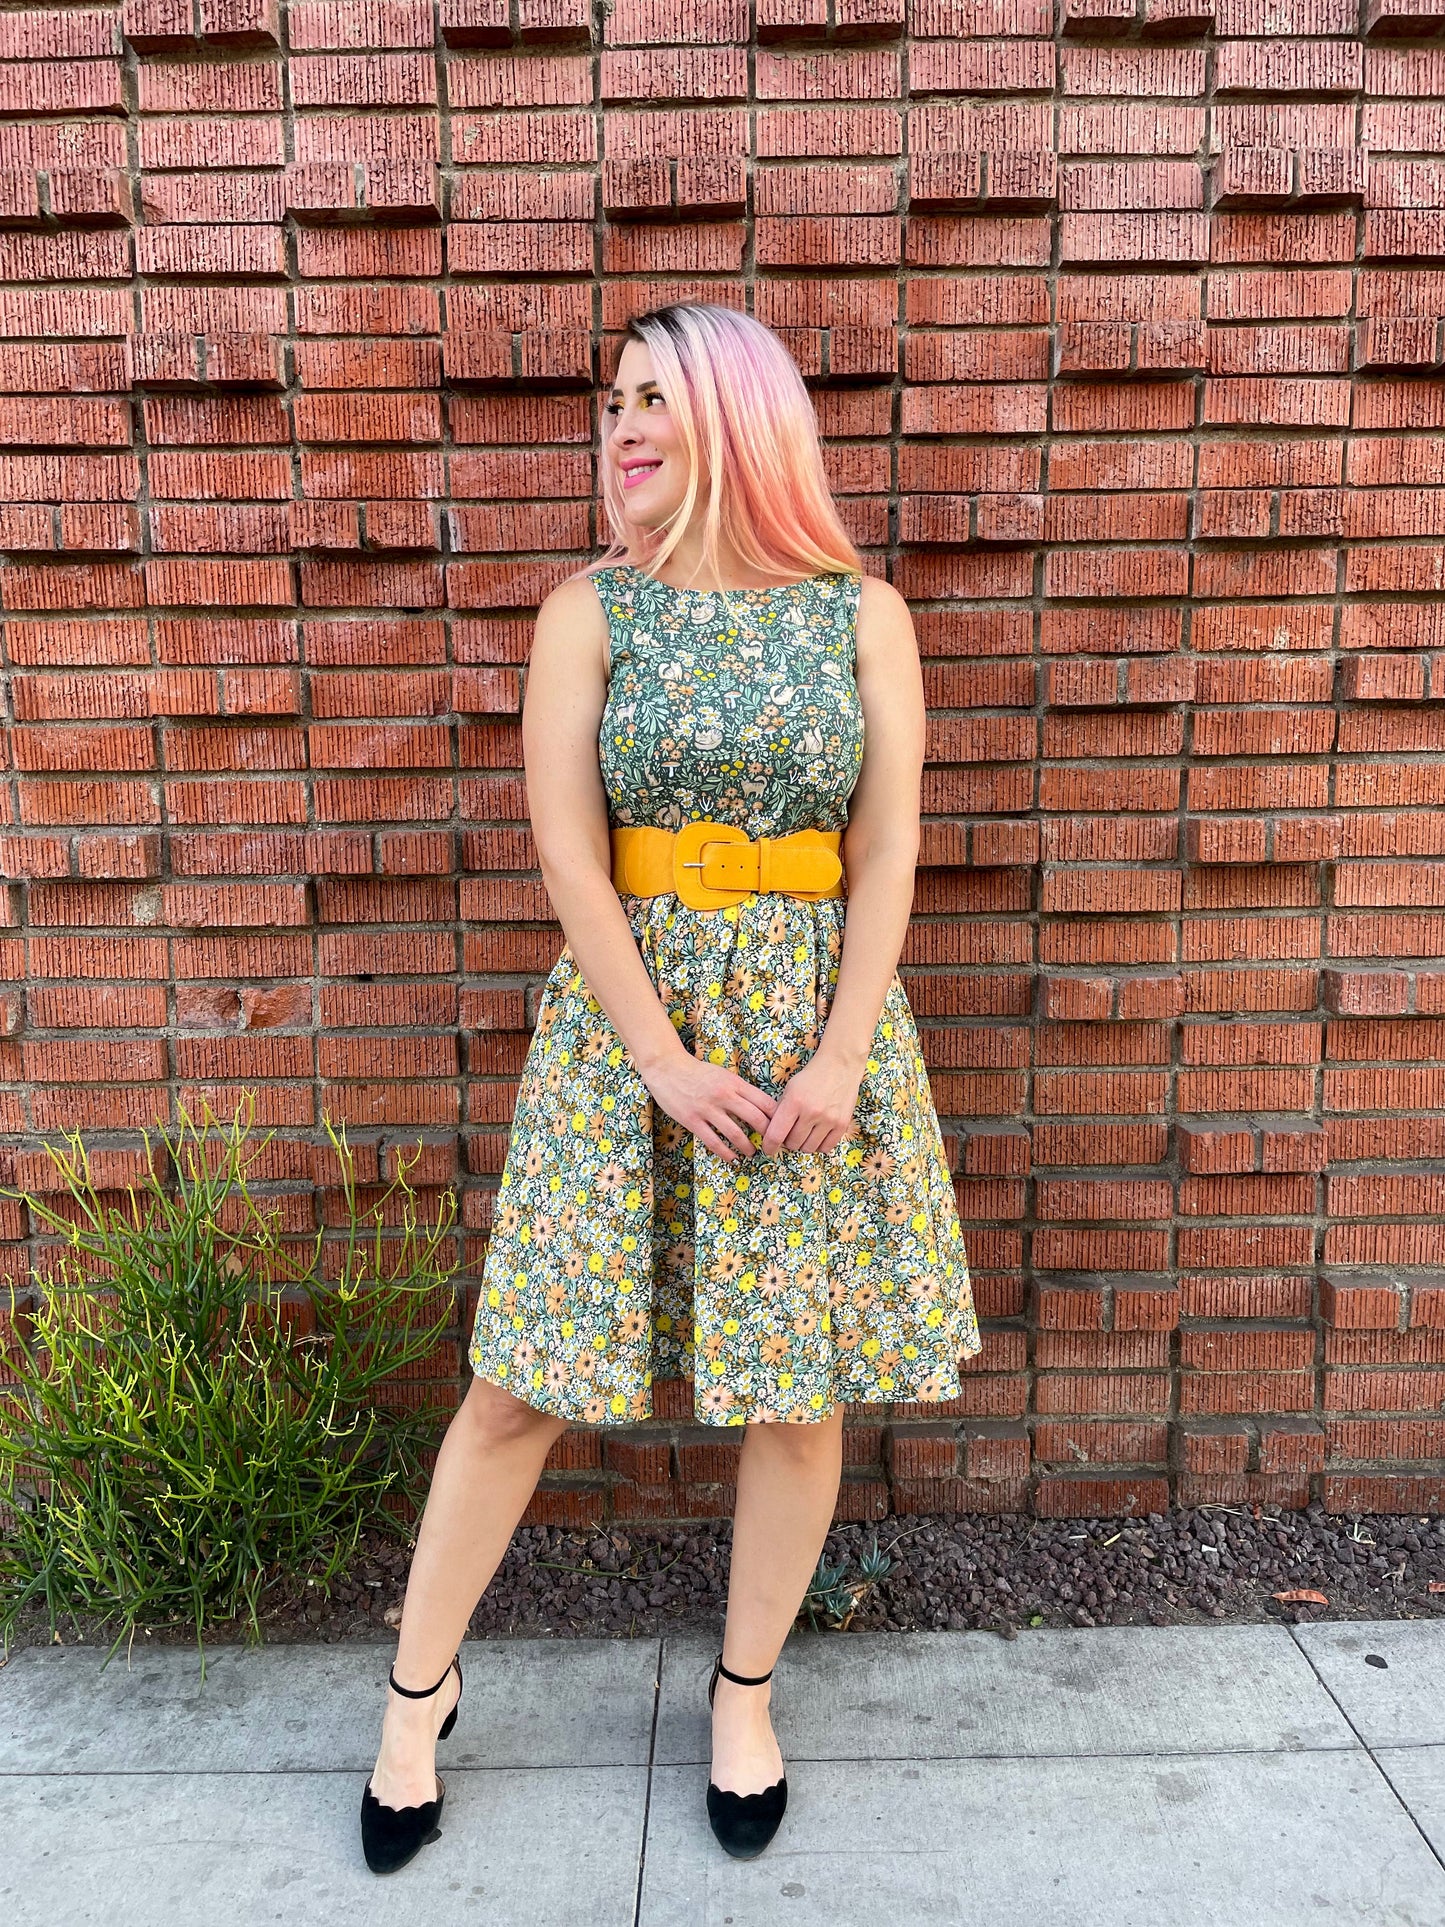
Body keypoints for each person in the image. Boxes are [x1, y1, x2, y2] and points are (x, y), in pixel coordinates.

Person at [360, 301, 983, 1874]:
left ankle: (743, 1696)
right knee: (519, 1383)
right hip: (623, 1034)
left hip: (803, 1041)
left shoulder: (860, 614)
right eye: (613, 401)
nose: (621, 423)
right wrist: (653, 1052)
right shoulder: (592, 609)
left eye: (654, 396)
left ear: (737, 417)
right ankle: (411, 1700)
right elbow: (567, 844)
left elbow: (890, 843)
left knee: (791, 1388)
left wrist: (840, 1050)